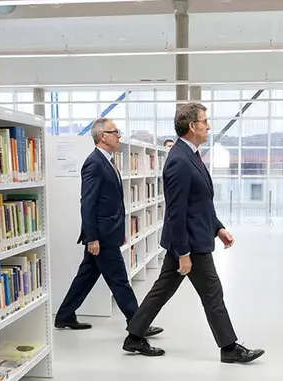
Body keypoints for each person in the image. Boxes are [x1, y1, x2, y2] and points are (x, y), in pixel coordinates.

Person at [122, 102, 264, 364]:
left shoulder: (191, 154)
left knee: (162, 290)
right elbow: (176, 212)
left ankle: (134, 336)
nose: (208, 126)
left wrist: (218, 228)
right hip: (189, 244)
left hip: (193, 237)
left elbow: (200, 202)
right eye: (204, 121)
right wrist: (183, 253)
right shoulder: (178, 160)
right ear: (192, 126)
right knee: (213, 294)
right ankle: (229, 348)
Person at [54, 118, 162, 338]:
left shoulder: (107, 160)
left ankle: (64, 315)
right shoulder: (94, 162)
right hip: (101, 237)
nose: (119, 135)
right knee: (119, 280)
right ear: (102, 136)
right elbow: (88, 203)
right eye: (115, 132)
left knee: (86, 276)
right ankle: (137, 323)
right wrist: (92, 237)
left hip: (107, 232)